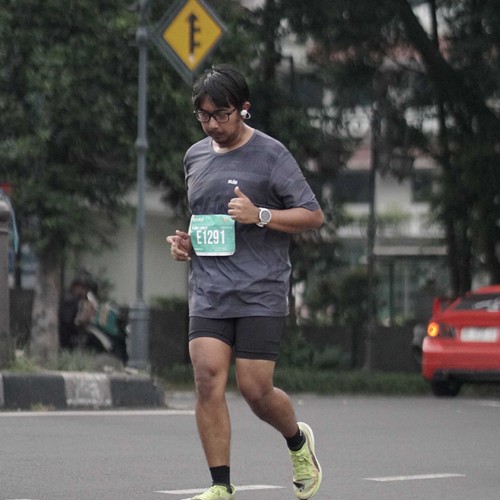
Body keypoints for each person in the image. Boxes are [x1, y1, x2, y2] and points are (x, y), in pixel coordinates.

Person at [166, 64, 324, 500]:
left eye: (222, 114)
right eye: (204, 115)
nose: (213, 124)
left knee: (256, 391)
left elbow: (313, 215)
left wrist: (261, 215)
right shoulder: (195, 157)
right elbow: (207, 221)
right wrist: (187, 244)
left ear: (243, 109)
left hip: (260, 290)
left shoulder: (271, 155)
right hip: (209, 289)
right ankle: (220, 485)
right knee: (207, 380)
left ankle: (297, 440)